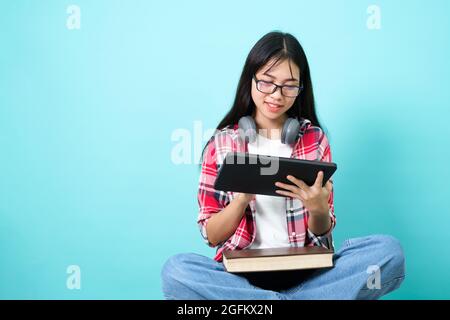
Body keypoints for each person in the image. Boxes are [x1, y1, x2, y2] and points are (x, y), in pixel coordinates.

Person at [161, 31, 405, 300]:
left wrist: (318, 208)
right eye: (267, 82)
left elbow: (323, 232)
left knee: (388, 251)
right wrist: (241, 200)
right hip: (241, 281)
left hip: (309, 275)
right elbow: (211, 234)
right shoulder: (221, 144)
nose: (277, 95)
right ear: (250, 79)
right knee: (176, 271)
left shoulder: (314, 139)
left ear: (301, 87)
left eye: (289, 86)